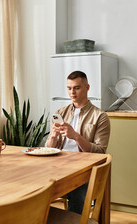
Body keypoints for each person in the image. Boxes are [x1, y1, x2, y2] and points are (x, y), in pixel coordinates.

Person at [45, 70, 110, 214]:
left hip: (84, 170)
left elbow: (100, 152)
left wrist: (76, 136)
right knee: (36, 187)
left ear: (87, 88)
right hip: (59, 166)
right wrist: (53, 137)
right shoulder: (60, 112)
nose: (72, 92)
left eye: (77, 88)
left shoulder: (100, 117)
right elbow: (49, 148)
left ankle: (76, 218)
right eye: (69, 88)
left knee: (76, 192)